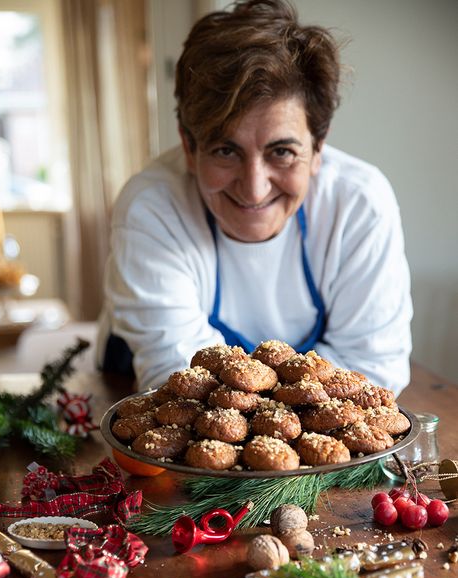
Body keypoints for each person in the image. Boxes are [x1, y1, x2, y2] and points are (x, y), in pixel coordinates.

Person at [97, 0, 412, 395]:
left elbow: (373, 368)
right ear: (189, 148)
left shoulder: (360, 204)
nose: (254, 188)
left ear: (318, 149)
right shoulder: (151, 207)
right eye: (225, 151)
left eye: (281, 151)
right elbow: (178, 382)